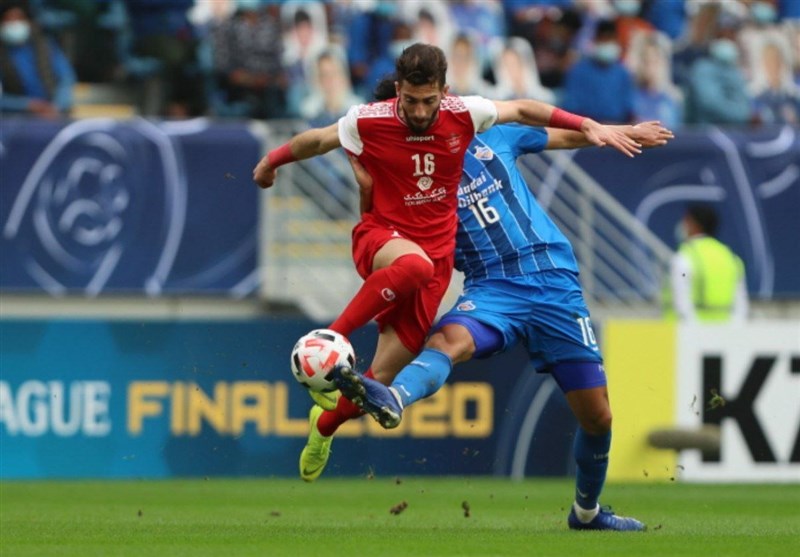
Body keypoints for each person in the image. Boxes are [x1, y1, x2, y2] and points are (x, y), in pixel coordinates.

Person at [252, 41, 640, 480]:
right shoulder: (373, 125)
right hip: (398, 248)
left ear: (444, 92)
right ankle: (332, 337)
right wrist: (271, 162)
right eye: (411, 102)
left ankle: (324, 426)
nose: (420, 113)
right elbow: (320, 142)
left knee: (376, 377)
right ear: (398, 93)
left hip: (441, 270)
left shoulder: (472, 120)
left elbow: (536, 119)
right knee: (417, 277)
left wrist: (605, 130)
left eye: (429, 101)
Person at [298, 84, 670, 534]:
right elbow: (382, 231)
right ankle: (392, 399)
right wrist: (365, 193)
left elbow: (561, 134)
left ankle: (587, 513)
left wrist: (620, 131)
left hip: (554, 282)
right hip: (493, 287)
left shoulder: (494, 135)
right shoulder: (408, 181)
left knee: (598, 416)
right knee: (447, 341)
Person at [665, 204, 748, 323]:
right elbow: (741, 306)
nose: (683, 225)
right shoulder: (731, 259)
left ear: (694, 224)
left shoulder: (684, 259)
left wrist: (697, 334)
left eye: (686, 220)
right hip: (726, 335)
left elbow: (682, 304)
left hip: (690, 336)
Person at [0, 1, 75, 118]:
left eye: (19, 18)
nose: (14, 24)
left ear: (29, 22)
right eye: (8, 20)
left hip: (53, 115)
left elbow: (66, 79)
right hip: (15, 120)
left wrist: (56, 107)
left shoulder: (46, 46)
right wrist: (27, 105)